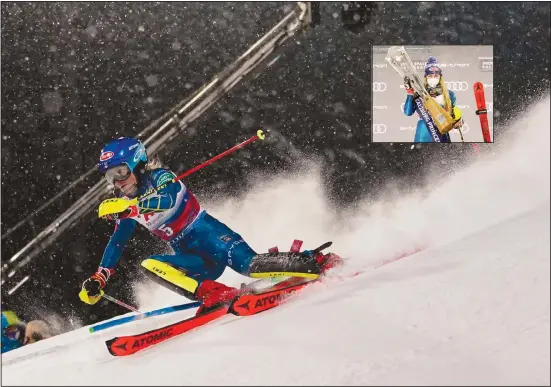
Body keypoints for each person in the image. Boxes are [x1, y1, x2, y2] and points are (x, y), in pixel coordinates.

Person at [80, 137, 341, 314]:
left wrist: (132, 208)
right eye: (110, 177)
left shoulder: (161, 178)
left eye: (121, 172)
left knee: (252, 267)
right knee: (151, 264)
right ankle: (215, 294)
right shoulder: (126, 202)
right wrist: (100, 277)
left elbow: (168, 197)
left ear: (137, 163)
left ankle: (312, 260)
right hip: (193, 257)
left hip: (211, 237)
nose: (118, 182)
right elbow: (117, 242)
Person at [403, 56, 464, 142]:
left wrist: (459, 121)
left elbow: (454, 115)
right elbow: (408, 112)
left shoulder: (449, 94)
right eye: (430, 76)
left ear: (440, 77)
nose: (433, 78)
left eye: (436, 75)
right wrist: (410, 93)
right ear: (426, 77)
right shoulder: (419, 94)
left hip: (442, 136)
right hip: (422, 137)